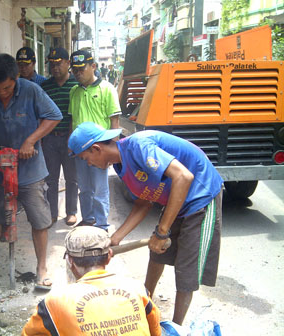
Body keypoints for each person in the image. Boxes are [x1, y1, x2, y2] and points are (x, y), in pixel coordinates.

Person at [68, 122, 224, 325]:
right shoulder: (121, 165)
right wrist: (115, 238)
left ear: (96, 149)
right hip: (176, 199)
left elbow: (184, 177)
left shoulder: (138, 146)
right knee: (156, 253)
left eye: (86, 158)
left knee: (186, 270)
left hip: (200, 196)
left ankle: (176, 327)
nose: (88, 164)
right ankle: (145, 309)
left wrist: (162, 232)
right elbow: (143, 202)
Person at [0, 53, 62, 290]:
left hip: (30, 166)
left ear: (16, 76)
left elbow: (54, 116)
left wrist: (31, 140)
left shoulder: (31, 90)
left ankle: (41, 267)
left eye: (7, 88)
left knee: (39, 218)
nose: (2, 93)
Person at [22, 226, 162, 335]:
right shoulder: (137, 289)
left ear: (70, 261)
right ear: (109, 256)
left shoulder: (54, 302)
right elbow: (155, 330)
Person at [68, 50, 121, 231]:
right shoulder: (74, 92)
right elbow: (72, 120)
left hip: (99, 149)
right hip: (80, 150)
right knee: (84, 187)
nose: (77, 73)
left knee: (100, 189)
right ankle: (88, 219)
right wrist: (71, 145)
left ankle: (102, 224)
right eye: (74, 69)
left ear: (93, 66)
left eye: (81, 69)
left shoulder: (106, 89)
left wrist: (113, 151)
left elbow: (114, 122)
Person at [41, 48, 78, 226]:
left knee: (72, 177)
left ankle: (71, 212)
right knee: (51, 179)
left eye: (58, 63)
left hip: (70, 138)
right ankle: (52, 213)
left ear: (68, 63)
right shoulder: (45, 86)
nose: (55, 67)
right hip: (49, 138)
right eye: (52, 64)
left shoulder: (76, 85)